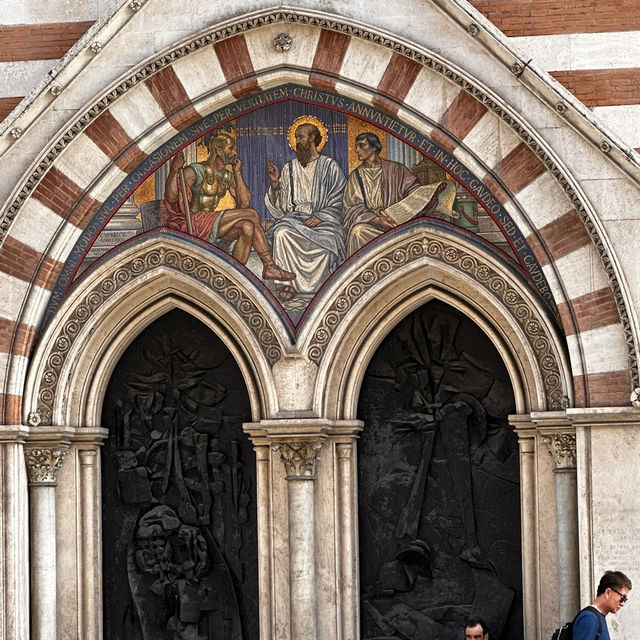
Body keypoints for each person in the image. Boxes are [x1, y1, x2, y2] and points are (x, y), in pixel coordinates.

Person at [164, 132, 294, 282]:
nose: (234, 153)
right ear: (219, 150)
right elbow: (172, 197)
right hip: (194, 222)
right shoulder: (196, 170)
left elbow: (244, 203)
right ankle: (269, 265)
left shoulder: (226, 176)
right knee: (251, 214)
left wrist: (237, 173)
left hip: (210, 224)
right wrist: (174, 170)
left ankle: (233, 275)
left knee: (247, 227)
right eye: (230, 148)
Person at [265, 120, 346, 301]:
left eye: (300, 137)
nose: (297, 142)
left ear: (312, 138)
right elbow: (282, 208)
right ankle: (289, 285)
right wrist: (275, 183)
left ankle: (323, 286)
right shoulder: (289, 168)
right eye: (295, 138)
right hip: (295, 219)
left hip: (323, 222)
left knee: (329, 242)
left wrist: (320, 217)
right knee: (281, 232)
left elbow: (339, 198)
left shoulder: (330, 166)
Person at [342, 132, 444, 256]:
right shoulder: (355, 176)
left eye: (362, 146)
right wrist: (376, 220)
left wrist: (432, 193)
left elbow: (415, 194)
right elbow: (353, 207)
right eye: (356, 146)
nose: (357, 150)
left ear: (374, 147)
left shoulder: (397, 170)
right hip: (371, 225)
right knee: (358, 232)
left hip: (397, 223)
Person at [572, 570, 632, 640]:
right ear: (608, 592)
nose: (622, 604)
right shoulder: (589, 618)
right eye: (622, 598)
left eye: (625, 600)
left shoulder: (597, 617)